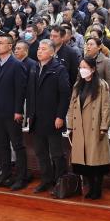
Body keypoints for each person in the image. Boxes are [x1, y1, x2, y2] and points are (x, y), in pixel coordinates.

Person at [25, 39, 71, 193]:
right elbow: (30, 94)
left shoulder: (59, 69)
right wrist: (30, 114)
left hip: (53, 118)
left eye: (43, 49)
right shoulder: (34, 68)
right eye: (39, 48)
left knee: (57, 153)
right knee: (40, 152)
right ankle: (46, 180)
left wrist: (60, 116)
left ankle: (60, 182)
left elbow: (65, 95)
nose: (39, 51)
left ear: (52, 52)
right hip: (37, 118)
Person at [66, 56, 110, 199]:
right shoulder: (77, 85)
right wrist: (70, 125)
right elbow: (72, 106)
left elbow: (106, 107)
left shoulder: (101, 85)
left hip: (94, 127)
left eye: (85, 67)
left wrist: (104, 126)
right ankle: (90, 187)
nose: (82, 70)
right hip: (80, 127)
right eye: (80, 67)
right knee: (84, 162)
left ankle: (97, 189)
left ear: (92, 69)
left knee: (96, 161)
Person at [0, 32, 29, 189]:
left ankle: (21, 177)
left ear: (10, 46)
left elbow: (20, 90)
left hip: (12, 112)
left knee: (17, 145)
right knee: (2, 145)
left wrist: (18, 110)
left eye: (1, 43)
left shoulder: (17, 64)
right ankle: (5, 175)